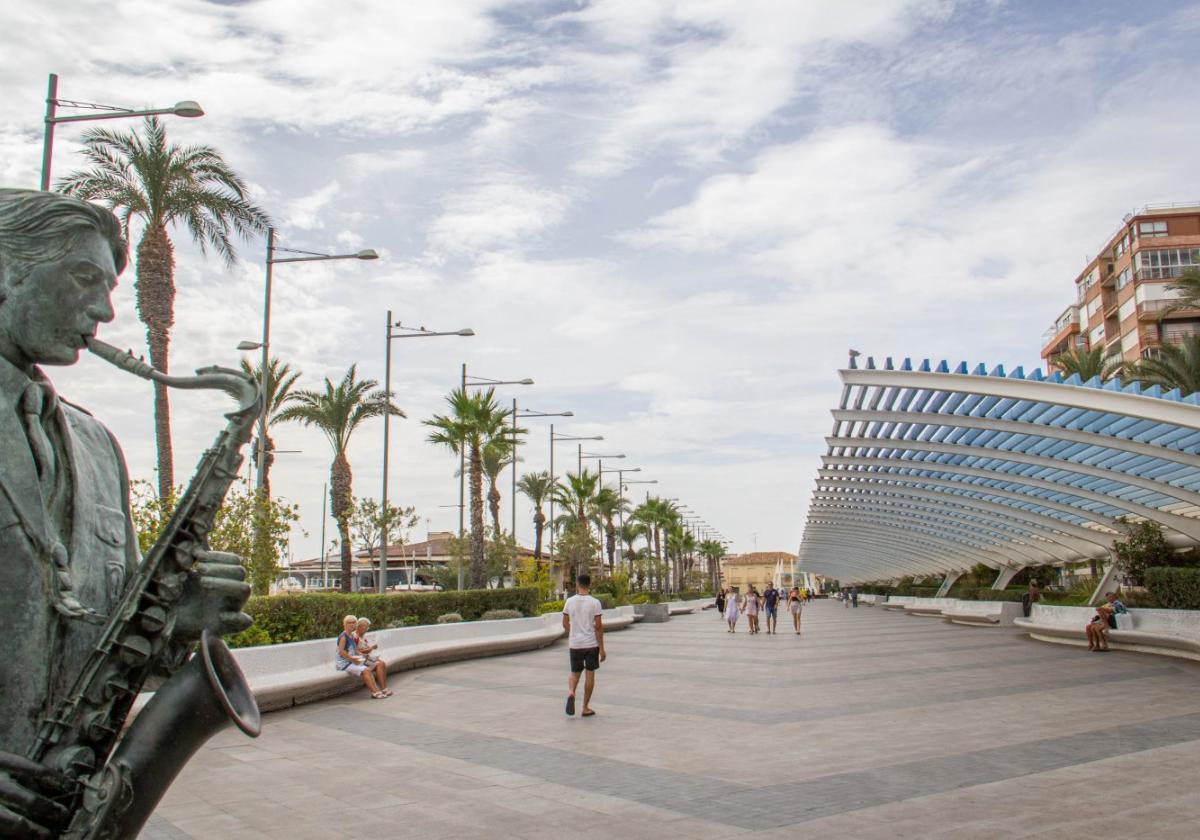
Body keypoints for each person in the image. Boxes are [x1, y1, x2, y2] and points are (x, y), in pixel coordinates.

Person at [0, 189, 253, 838]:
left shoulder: (98, 448)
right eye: (85, 278)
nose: (107, 310)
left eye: (112, 286)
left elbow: (112, 637)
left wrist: (173, 624)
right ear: (6, 268)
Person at [562, 573, 605, 717]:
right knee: (590, 675)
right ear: (589, 584)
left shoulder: (569, 602)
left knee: (574, 673)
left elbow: (564, 623)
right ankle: (585, 707)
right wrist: (602, 649)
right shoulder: (595, 602)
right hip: (590, 644)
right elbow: (598, 627)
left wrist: (573, 632)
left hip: (575, 644)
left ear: (577, 584)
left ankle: (571, 692)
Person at [336, 615, 388, 698]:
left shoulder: (352, 635)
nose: (352, 624)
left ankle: (379, 690)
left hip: (353, 660)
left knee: (378, 664)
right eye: (350, 623)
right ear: (345, 624)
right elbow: (341, 652)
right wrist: (353, 659)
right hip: (344, 663)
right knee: (365, 670)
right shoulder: (343, 637)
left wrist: (362, 657)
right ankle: (375, 693)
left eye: (354, 622)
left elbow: (355, 650)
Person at [354, 617, 391, 695]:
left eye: (367, 627)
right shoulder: (354, 636)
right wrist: (370, 649)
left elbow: (366, 648)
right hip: (359, 660)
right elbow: (355, 651)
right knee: (380, 664)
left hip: (366, 658)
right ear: (359, 626)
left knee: (381, 663)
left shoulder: (363, 636)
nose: (366, 629)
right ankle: (382, 689)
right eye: (364, 627)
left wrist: (370, 649)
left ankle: (384, 688)